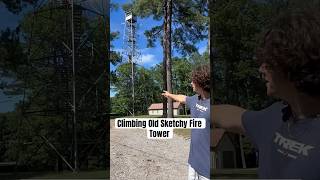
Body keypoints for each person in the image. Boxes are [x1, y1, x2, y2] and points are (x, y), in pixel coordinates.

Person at [212, 8, 320, 179]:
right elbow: (232, 116)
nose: (261, 69)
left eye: (268, 62)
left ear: (292, 62)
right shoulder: (278, 115)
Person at [162, 64, 210, 180]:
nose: (191, 83)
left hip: (207, 168)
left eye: (192, 81)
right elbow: (182, 98)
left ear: (199, 82)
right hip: (193, 161)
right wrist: (169, 95)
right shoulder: (194, 99)